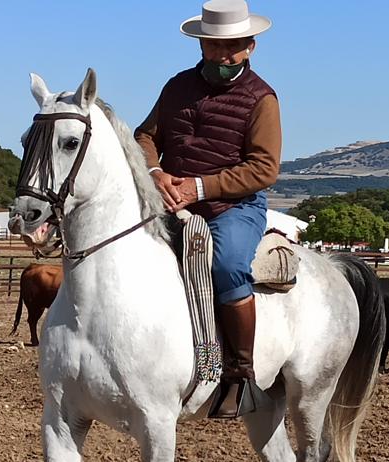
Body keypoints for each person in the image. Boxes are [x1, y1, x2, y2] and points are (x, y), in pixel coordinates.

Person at [134, 0, 281, 419]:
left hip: (233, 206)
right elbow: (145, 136)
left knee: (228, 264)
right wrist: (156, 172)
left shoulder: (262, 99)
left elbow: (264, 168)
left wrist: (199, 187)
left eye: (232, 46)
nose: (222, 55)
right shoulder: (176, 87)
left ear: (250, 46)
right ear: (201, 45)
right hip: (170, 198)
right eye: (214, 46)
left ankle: (240, 373)